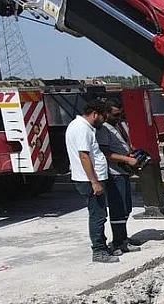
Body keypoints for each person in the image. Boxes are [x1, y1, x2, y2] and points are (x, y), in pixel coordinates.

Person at [65, 98, 118, 263]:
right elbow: (84, 155)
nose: (104, 121)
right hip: (89, 181)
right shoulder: (83, 129)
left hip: (91, 178)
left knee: (99, 214)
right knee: (98, 216)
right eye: (103, 117)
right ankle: (99, 251)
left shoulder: (80, 126)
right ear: (95, 114)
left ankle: (102, 246)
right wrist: (94, 182)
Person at [96, 98, 143, 253]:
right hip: (114, 173)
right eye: (115, 115)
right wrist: (126, 159)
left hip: (122, 172)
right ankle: (118, 241)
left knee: (126, 207)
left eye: (120, 114)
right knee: (118, 208)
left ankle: (123, 237)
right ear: (107, 113)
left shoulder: (117, 126)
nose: (118, 118)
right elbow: (105, 152)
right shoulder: (104, 129)